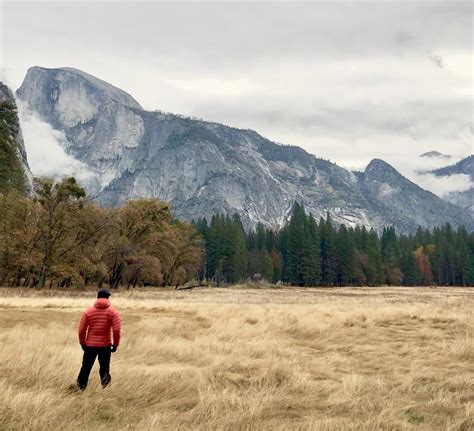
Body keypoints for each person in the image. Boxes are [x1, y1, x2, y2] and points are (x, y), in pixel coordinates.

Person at [76, 288, 121, 390]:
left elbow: (81, 330)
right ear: (108, 298)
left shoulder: (88, 312)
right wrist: (115, 344)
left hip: (90, 345)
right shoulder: (113, 312)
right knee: (105, 369)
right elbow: (117, 330)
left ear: (97, 297)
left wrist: (82, 343)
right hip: (105, 346)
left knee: (85, 368)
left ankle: (80, 389)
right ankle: (106, 389)